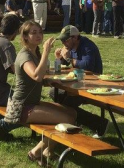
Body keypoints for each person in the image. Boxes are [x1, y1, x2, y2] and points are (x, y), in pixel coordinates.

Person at [5, 21, 76, 165]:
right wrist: (45, 51)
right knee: (67, 120)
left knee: (72, 114)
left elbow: (38, 79)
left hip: (33, 102)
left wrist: (47, 82)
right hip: (22, 107)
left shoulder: (33, 53)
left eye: (40, 32)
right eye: (33, 32)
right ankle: (35, 152)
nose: (38, 35)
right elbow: (36, 76)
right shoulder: (25, 55)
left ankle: (47, 150)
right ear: (25, 37)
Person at [53, 25, 108, 134]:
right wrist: (58, 59)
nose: (63, 43)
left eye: (65, 40)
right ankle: (77, 120)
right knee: (54, 93)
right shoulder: (70, 47)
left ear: (75, 38)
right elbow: (59, 69)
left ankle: (98, 123)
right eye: (62, 40)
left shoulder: (87, 46)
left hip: (92, 83)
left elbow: (88, 66)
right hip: (76, 82)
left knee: (67, 103)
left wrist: (69, 58)